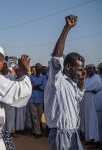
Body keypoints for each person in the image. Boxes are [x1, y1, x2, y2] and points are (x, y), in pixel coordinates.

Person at [44, 15, 86, 150]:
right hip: (60, 135)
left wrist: (81, 81)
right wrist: (66, 28)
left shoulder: (72, 84)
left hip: (73, 132)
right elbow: (56, 57)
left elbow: (79, 95)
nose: (80, 72)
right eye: (78, 69)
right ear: (67, 66)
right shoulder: (57, 81)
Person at [29, 63, 47, 138]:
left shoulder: (44, 77)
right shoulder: (31, 77)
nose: (38, 69)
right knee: (34, 116)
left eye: (39, 68)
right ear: (35, 69)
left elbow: (43, 87)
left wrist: (35, 86)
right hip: (32, 99)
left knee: (39, 116)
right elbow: (30, 87)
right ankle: (38, 132)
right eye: (37, 68)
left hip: (40, 99)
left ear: (41, 69)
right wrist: (38, 85)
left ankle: (36, 129)